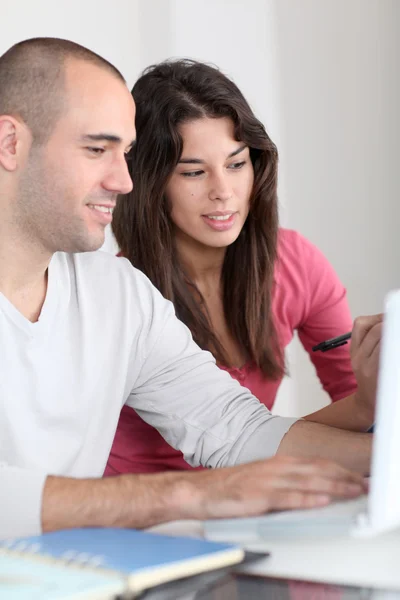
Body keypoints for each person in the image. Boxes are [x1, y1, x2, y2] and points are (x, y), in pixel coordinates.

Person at [0, 38, 374, 540]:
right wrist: (188, 494)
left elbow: (233, 429)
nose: (123, 181)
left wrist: (385, 460)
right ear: (10, 143)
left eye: (126, 154)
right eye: (96, 149)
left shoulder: (120, 294)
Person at [108, 59, 380, 475]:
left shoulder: (294, 262)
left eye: (237, 164)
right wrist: (365, 408)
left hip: (250, 499)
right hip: (145, 518)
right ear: (150, 183)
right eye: (194, 172)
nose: (224, 192)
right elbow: (232, 440)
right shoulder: (122, 295)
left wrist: (376, 389)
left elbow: (251, 436)